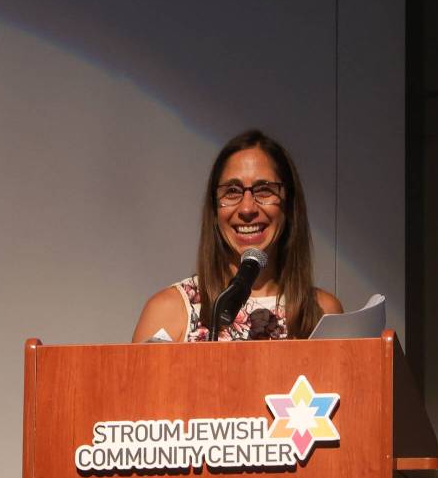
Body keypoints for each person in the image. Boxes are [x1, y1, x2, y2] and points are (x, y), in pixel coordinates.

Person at [132, 129, 342, 342]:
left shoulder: (323, 313)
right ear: (214, 209)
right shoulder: (168, 312)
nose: (247, 208)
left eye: (264, 190)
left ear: (288, 206)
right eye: (232, 191)